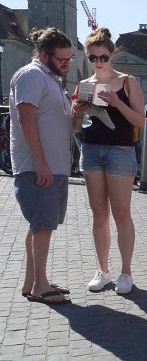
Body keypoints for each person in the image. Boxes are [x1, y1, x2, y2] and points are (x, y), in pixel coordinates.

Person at [72, 28, 145, 294]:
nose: (99, 62)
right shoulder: (84, 85)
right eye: (93, 58)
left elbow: (140, 121)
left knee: (121, 213)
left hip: (120, 151)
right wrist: (77, 113)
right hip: (91, 150)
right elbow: (76, 129)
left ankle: (126, 272)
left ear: (111, 55)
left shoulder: (128, 82)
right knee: (98, 214)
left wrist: (116, 102)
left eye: (103, 56)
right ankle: (102, 271)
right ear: (87, 57)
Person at [10, 27, 74, 305]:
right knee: (43, 225)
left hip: (52, 165)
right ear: (45, 55)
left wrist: (76, 114)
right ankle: (40, 285)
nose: (67, 64)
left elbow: (59, 125)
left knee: (38, 225)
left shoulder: (49, 78)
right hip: (39, 167)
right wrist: (40, 164)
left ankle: (32, 281)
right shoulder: (32, 75)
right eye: (62, 60)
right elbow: (26, 120)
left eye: (69, 59)